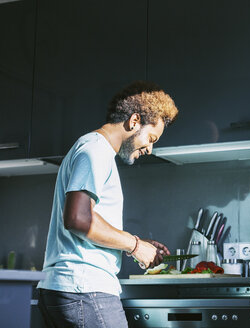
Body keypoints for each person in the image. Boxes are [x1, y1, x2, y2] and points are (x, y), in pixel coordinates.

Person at [37, 81, 179, 327]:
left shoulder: (93, 149)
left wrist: (135, 244)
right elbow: (78, 219)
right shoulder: (95, 150)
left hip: (70, 289)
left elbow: (88, 218)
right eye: (151, 137)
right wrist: (135, 246)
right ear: (134, 121)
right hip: (85, 289)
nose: (150, 148)